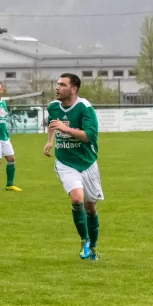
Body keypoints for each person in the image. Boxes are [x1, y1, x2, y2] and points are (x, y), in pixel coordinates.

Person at [44, 73, 102, 261]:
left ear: (73, 89)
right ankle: (84, 240)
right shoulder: (53, 106)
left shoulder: (84, 108)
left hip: (87, 162)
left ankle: (93, 247)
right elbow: (53, 125)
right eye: (57, 83)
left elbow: (90, 136)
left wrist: (66, 129)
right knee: (77, 198)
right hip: (65, 162)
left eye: (62, 84)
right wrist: (50, 141)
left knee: (90, 207)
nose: (57, 87)